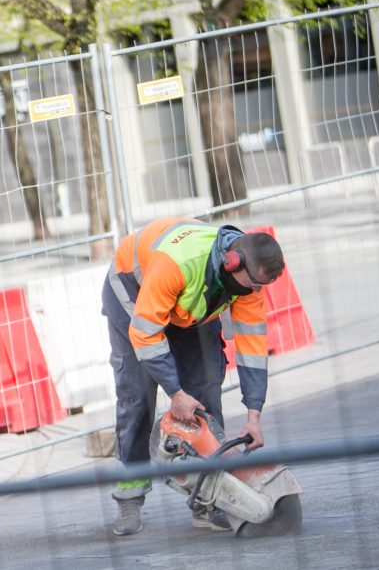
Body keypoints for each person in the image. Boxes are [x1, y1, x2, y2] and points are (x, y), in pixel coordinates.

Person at [101, 217, 285, 536]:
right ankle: (130, 496)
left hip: (188, 311)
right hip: (133, 298)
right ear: (231, 263)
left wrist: (254, 414)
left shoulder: (249, 276)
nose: (256, 291)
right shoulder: (175, 264)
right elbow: (145, 335)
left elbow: (253, 346)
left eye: (261, 286)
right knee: (137, 401)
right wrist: (175, 392)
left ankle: (209, 499)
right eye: (254, 284)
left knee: (205, 394)